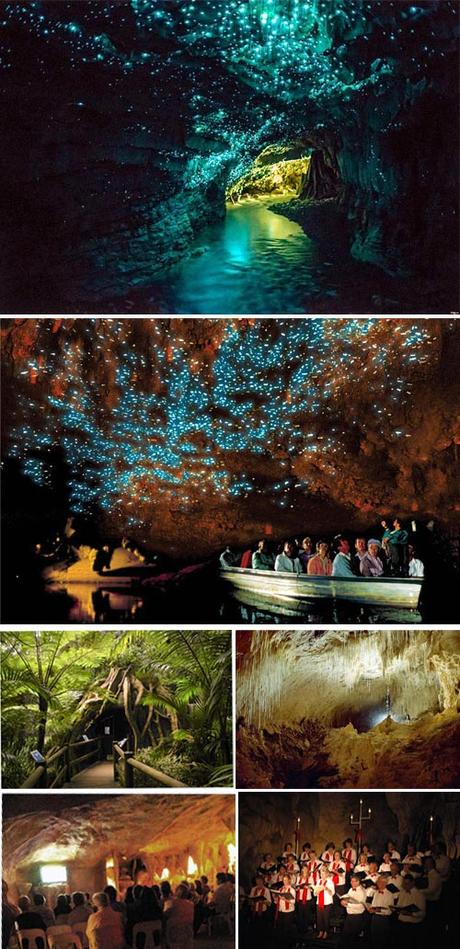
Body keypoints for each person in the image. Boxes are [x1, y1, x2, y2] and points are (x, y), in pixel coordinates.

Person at [394, 875, 425, 947]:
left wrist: (410, 913)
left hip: (412, 926)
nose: (405, 886)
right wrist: (396, 909)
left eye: (407, 884)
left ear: (412, 883)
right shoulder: (402, 892)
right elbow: (399, 905)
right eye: (404, 884)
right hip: (401, 923)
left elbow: (422, 913)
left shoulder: (419, 895)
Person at [367, 875, 395, 947]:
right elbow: (373, 905)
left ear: (385, 883)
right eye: (378, 882)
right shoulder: (376, 893)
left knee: (382, 940)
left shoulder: (390, 894)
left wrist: (378, 910)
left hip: (383, 919)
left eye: (379, 882)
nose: (378, 883)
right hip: (375, 918)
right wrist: (370, 908)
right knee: (374, 939)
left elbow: (389, 911)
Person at [339, 874, 366, 946]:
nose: (351, 882)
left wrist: (348, 904)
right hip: (349, 916)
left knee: (353, 939)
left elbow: (361, 906)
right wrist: (343, 901)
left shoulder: (362, 892)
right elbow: (347, 898)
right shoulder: (350, 889)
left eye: (353, 881)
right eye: (351, 881)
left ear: (358, 882)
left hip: (357, 917)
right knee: (345, 937)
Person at [313, 868, 335, 939]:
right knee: (319, 918)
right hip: (319, 902)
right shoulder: (318, 881)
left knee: (326, 918)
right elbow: (315, 893)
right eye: (320, 873)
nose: (321, 875)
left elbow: (332, 893)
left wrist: (326, 888)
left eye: (323, 873)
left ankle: (326, 932)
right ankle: (320, 931)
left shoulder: (330, 882)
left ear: (327, 874)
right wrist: (317, 891)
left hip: (327, 902)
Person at [295, 864, 313, 934]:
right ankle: (300, 929)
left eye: (306, 869)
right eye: (303, 869)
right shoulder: (299, 877)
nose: (305, 870)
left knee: (306, 914)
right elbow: (296, 887)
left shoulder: (310, 878)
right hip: (300, 898)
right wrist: (298, 887)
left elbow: (313, 889)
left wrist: (309, 888)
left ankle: (305, 929)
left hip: (307, 898)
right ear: (301, 869)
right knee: (300, 914)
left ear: (308, 870)